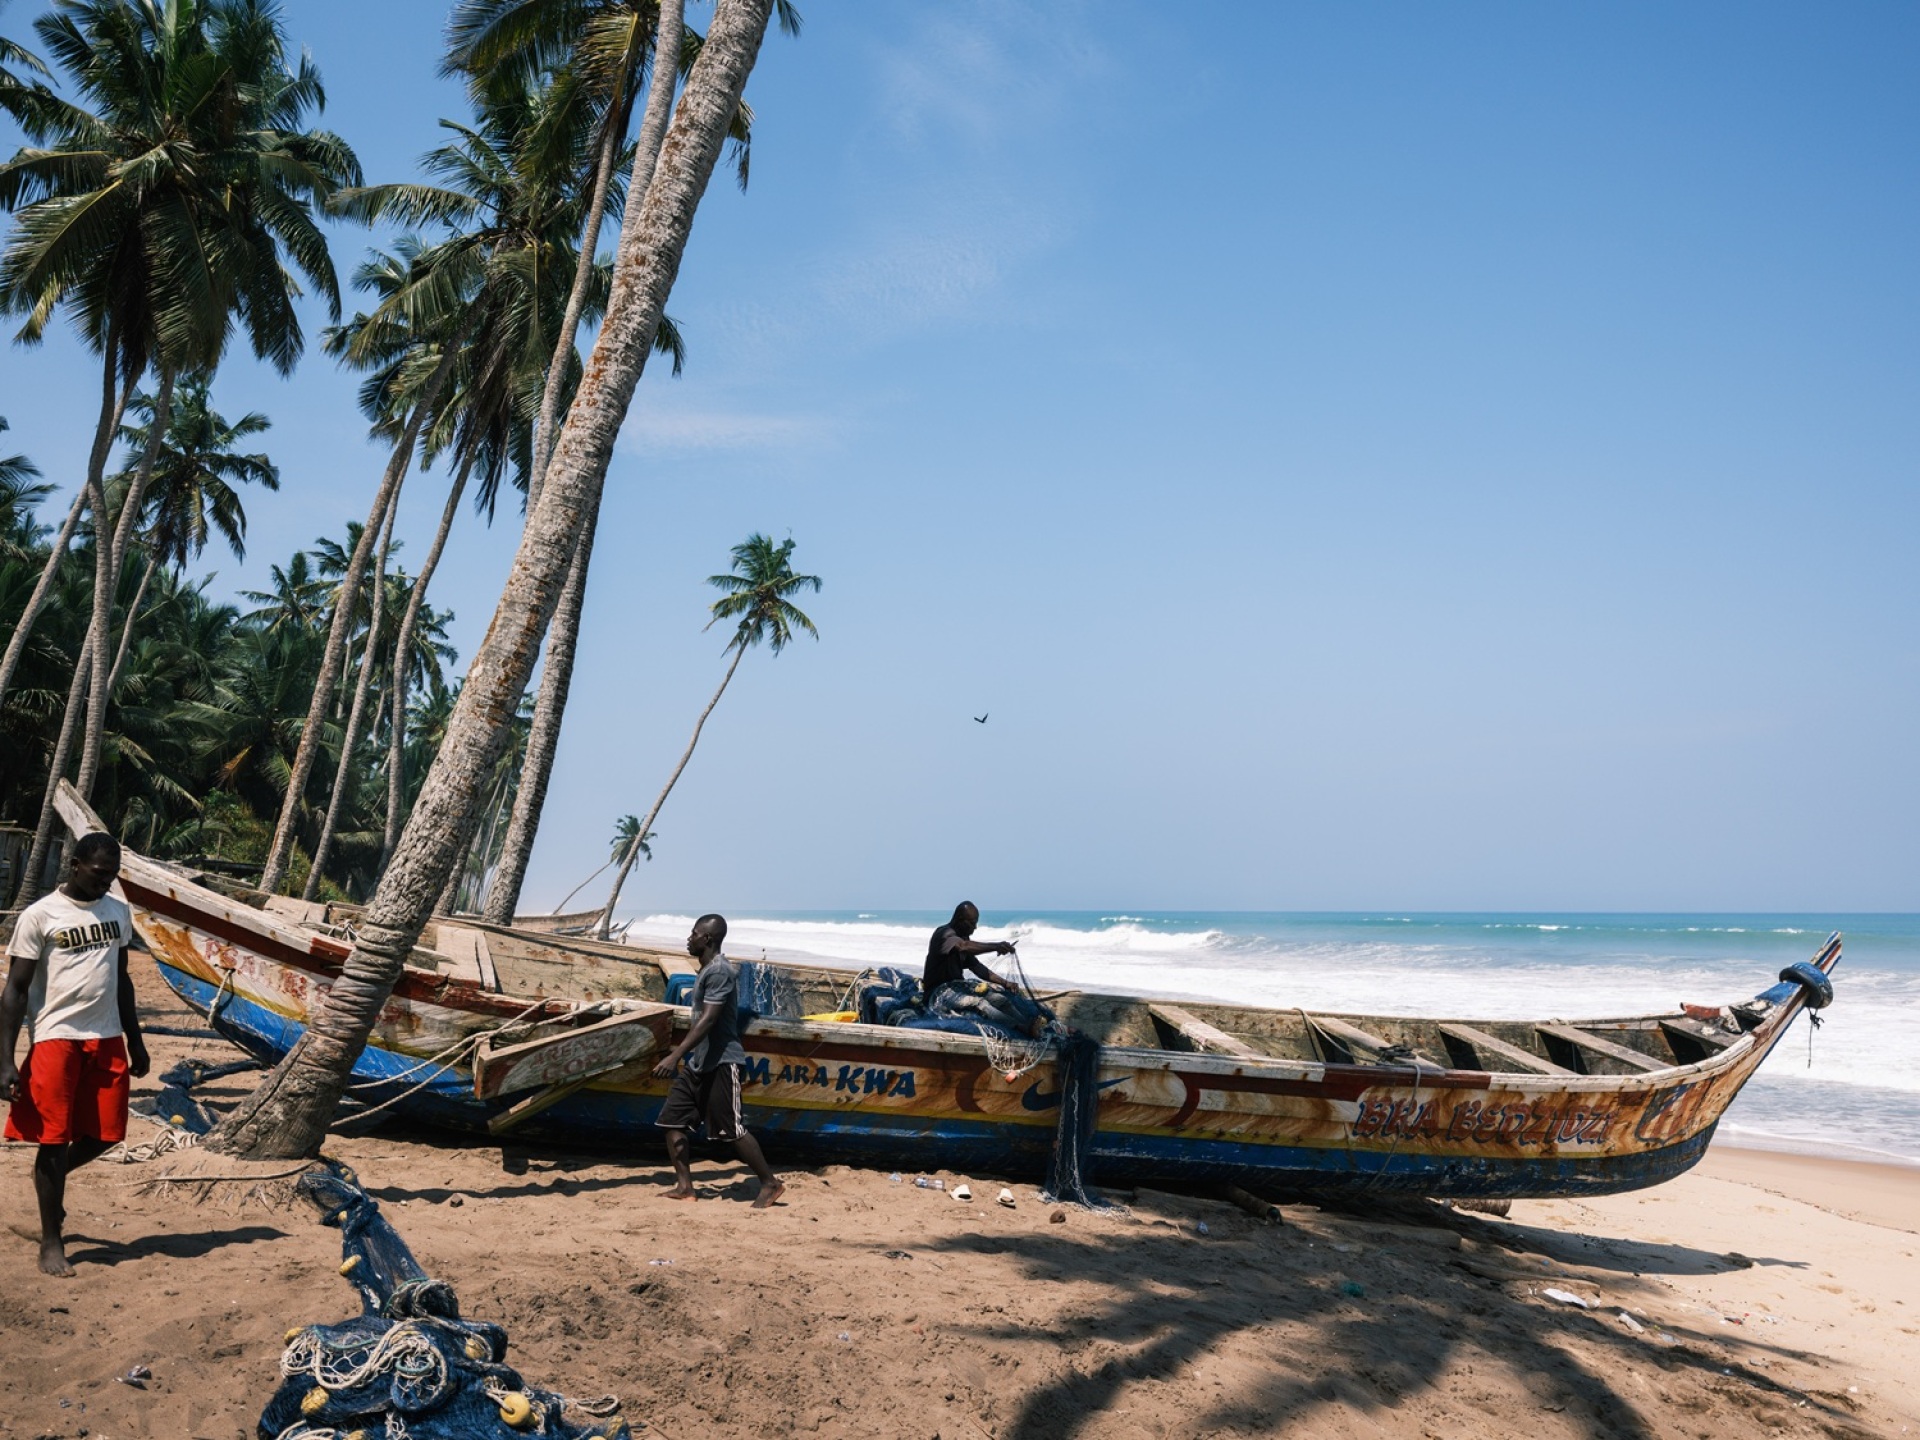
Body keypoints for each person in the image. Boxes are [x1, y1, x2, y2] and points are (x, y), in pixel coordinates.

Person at [0, 833, 150, 1276]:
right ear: (75, 864)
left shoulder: (117, 912)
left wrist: (136, 1039)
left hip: (106, 1037)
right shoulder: (40, 915)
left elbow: (122, 981)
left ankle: (52, 1177)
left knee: (107, 1133)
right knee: (53, 1137)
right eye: (99, 873)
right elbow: (14, 991)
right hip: (55, 1037)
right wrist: (5, 1059)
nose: (106, 882)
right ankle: (51, 1240)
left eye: (113, 875)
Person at [651, 914, 785, 1208]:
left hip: (723, 1063)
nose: (689, 938)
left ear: (707, 939)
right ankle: (685, 1186)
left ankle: (770, 1183)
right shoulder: (706, 970)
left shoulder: (720, 971)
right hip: (699, 1064)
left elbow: (710, 1019)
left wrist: (675, 1056)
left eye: (694, 933)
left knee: (732, 1131)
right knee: (672, 1120)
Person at [922, 902, 1047, 1036]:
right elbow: (964, 946)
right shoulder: (943, 934)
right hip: (937, 994)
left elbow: (976, 967)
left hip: (956, 988)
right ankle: (1020, 1027)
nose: (975, 927)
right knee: (979, 1003)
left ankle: (1030, 1024)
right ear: (960, 921)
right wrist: (995, 946)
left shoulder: (963, 937)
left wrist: (1005, 983)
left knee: (999, 999)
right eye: (972, 923)